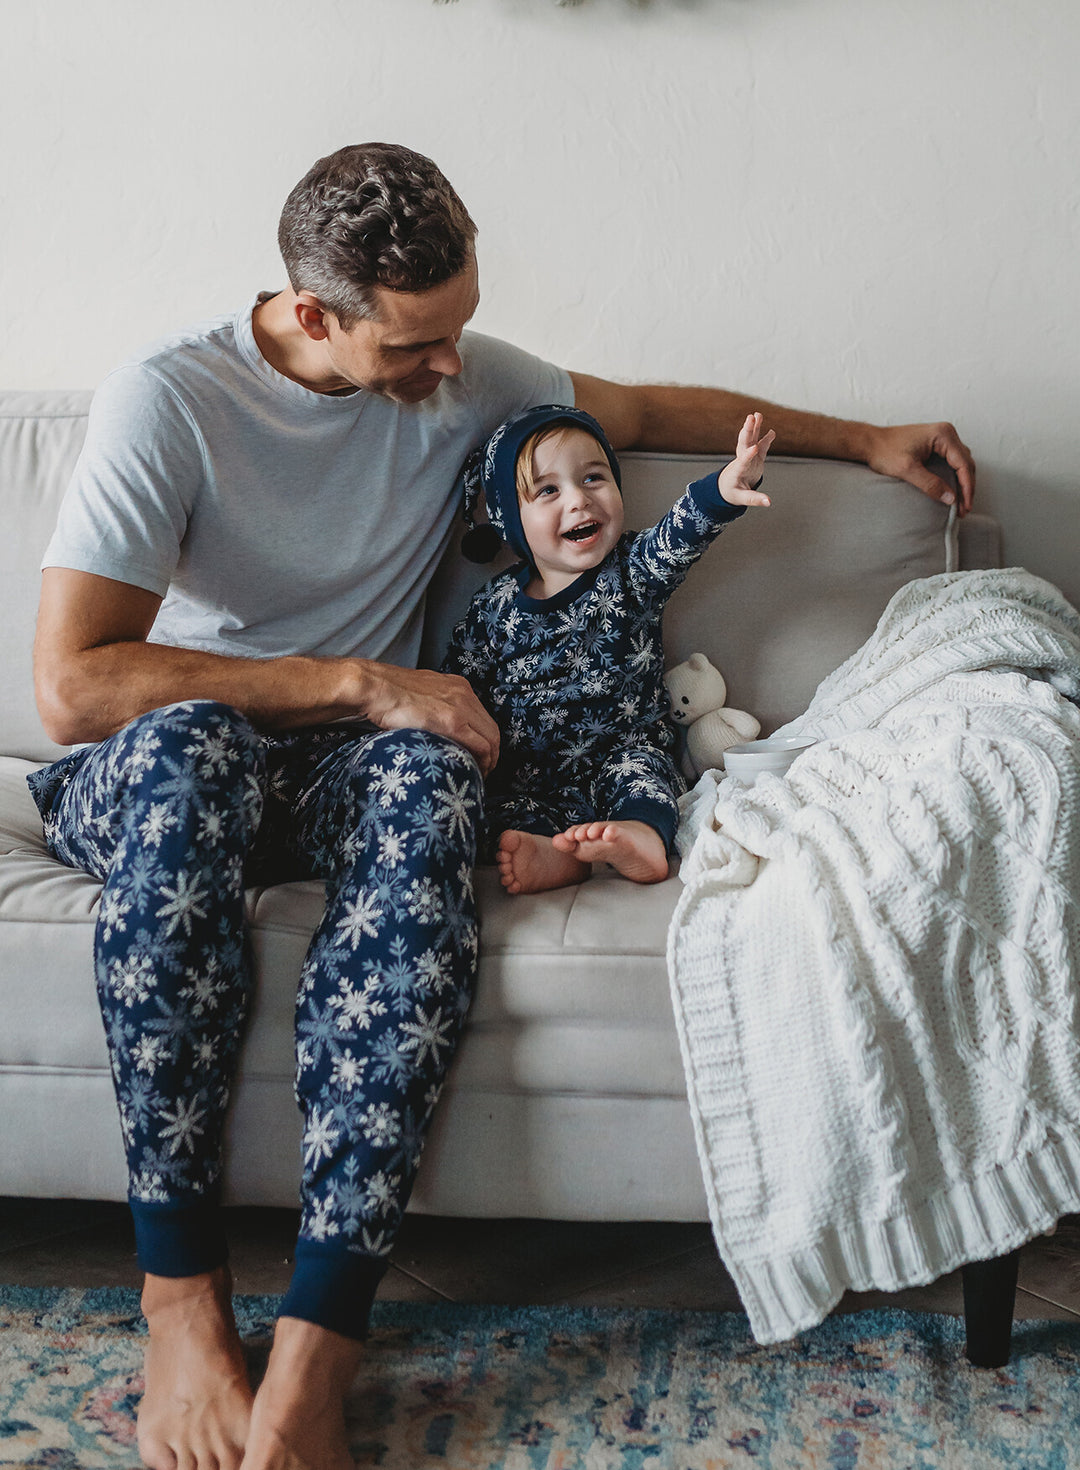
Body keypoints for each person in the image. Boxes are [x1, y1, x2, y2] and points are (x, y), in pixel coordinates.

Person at [28, 141, 976, 1470]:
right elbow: (76, 688)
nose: (453, 374)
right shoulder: (171, 396)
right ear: (313, 316)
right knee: (195, 754)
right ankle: (180, 1295)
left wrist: (865, 437)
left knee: (432, 779)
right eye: (418, 347)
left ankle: (320, 1329)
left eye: (462, 330)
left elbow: (642, 412)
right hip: (178, 764)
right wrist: (362, 679)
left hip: (358, 769)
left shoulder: (459, 372)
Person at [443, 404, 773, 895]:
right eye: (548, 490)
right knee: (490, 814)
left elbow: (680, 533)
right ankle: (558, 858)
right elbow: (457, 690)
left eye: (593, 478)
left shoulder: (632, 572)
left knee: (645, 780)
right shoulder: (492, 608)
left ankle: (639, 837)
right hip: (529, 779)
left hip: (624, 753)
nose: (579, 501)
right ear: (512, 520)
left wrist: (723, 491)